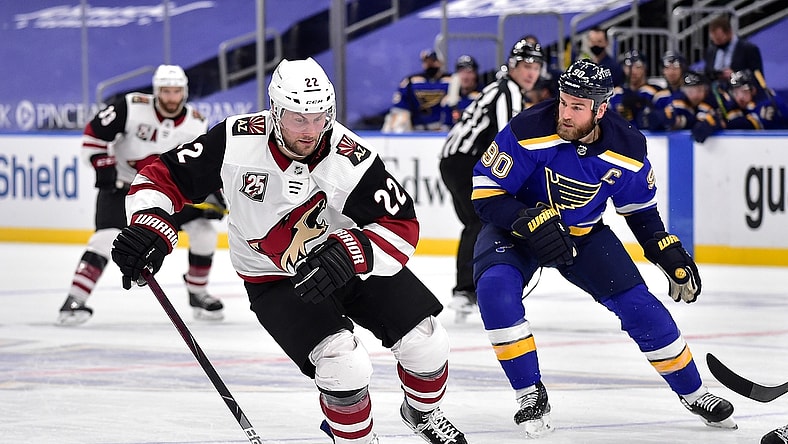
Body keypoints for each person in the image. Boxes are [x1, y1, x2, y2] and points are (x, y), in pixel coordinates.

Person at [109, 57, 466, 444]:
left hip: (344, 263)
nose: (311, 131)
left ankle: (422, 414)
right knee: (343, 365)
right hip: (273, 278)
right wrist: (148, 224)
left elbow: (402, 226)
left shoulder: (351, 159)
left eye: (320, 117)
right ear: (275, 112)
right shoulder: (235, 139)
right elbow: (162, 177)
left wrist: (350, 252)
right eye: (299, 118)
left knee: (428, 343)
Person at [470, 59, 736, 436]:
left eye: (577, 107)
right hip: (516, 231)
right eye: (563, 102)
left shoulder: (628, 147)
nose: (565, 113)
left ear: (601, 108)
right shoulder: (527, 128)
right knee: (494, 292)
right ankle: (529, 394)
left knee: (641, 307)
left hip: (584, 235)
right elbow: (485, 194)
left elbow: (640, 212)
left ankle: (695, 392)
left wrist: (664, 248)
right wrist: (528, 218)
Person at [57, 65, 226, 326]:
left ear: (185, 92)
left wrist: (214, 193)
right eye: (166, 91)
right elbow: (94, 135)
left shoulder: (197, 122)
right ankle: (74, 300)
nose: (171, 98)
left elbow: (201, 165)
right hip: (123, 189)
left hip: (165, 194)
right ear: (156, 91)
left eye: (176, 91)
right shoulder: (130, 106)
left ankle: (198, 293)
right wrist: (103, 164)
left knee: (204, 232)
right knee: (104, 240)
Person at [439, 39, 544, 322]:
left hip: (457, 159)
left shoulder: (507, 89)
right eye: (525, 66)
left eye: (535, 66)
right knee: (479, 220)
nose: (531, 72)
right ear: (513, 66)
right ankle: (465, 291)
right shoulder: (507, 91)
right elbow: (506, 140)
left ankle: (472, 288)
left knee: (479, 221)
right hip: (462, 160)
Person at [382, 49, 453, 132]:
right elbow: (399, 107)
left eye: (432, 61)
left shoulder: (452, 80)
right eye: (426, 62)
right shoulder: (411, 81)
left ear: (440, 62)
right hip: (416, 128)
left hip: (445, 129)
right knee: (398, 118)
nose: (429, 64)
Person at [648, 70, 723, 143]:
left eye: (699, 90)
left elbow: (722, 121)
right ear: (683, 91)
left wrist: (713, 122)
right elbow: (673, 118)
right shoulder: (677, 100)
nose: (695, 96)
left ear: (705, 90)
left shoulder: (711, 101)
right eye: (690, 91)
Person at [703, 14, 764, 85]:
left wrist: (736, 75)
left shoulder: (749, 49)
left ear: (729, 33)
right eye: (713, 40)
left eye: (719, 39)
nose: (716, 43)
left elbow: (758, 76)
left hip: (740, 90)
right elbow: (707, 73)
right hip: (716, 91)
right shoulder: (711, 51)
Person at [610, 50, 661, 129]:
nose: (633, 71)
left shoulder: (654, 92)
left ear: (645, 68)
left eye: (637, 66)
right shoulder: (617, 94)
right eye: (628, 67)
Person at [723, 69, 788, 130]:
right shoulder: (733, 105)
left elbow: (749, 124)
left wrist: (723, 123)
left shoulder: (767, 102)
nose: (739, 97)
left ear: (753, 90)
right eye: (735, 93)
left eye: (744, 91)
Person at [443, 54, 482, 125]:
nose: (465, 77)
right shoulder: (448, 100)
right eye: (461, 72)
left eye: (469, 72)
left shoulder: (482, 98)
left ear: (475, 74)